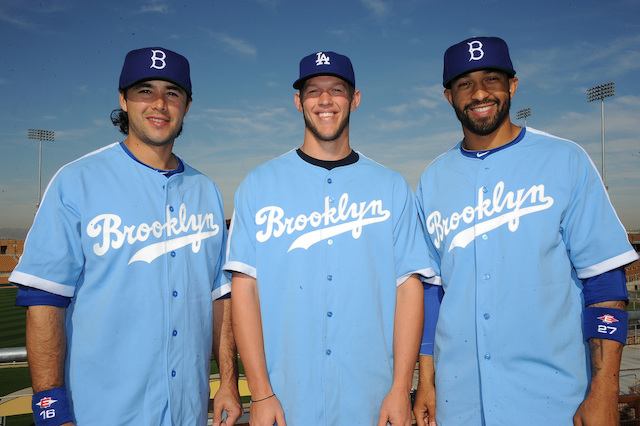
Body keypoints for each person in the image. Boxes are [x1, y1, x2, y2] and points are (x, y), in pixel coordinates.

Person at [413, 36, 640, 425]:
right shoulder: (432, 180)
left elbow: (603, 280)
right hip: (459, 404)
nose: (480, 92)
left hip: (552, 403)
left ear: (512, 86)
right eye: (465, 83)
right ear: (448, 96)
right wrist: (428, 382)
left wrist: (603, 393)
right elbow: (432, 292)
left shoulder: (565, 160)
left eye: (492, 79)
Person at [10, 47, 242, 426]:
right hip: (100, 413)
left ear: (187, 104)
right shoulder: (76, 181)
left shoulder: (206, 191)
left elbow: (221, 298)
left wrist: (228, 383)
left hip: (188, 412)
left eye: (172, 92)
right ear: (123, 99)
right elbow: (44, 300)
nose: (160, 104)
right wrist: (51, 412)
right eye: (145, 91)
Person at [224, 51, 434, 425]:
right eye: (313, 90)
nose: (324, 100)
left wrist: (401, 388)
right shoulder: (259, 184)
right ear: (298, 101)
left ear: (354, 99)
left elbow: (409, 288)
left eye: (336, 89)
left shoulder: (391, 186)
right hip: (284, 403)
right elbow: (244, 290)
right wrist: (260, 393)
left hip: (371, 400)